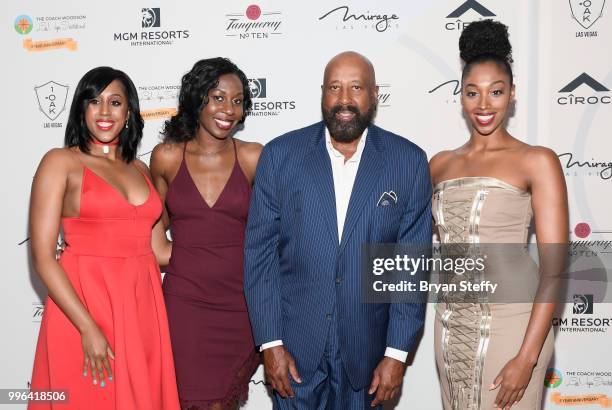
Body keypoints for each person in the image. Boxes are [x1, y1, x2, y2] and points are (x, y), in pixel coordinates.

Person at [244, 51, 432, 409]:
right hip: (293, 352)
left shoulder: (407, 162)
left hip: (369, 356)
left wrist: (396, 354)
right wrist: (269, 343)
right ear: (322, 94)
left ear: (374, 94)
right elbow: (260, 256)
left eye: (356, 87)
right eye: (335, 87)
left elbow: (410, 268)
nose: (344, 99)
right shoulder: (280, 155)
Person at [429, 20, 568, 409]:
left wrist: (527, 358)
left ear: (512, 94)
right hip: (451, 328)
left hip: (515, 327)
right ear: (461, 97)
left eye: (496, 92)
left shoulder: (537, 161)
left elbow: (555, 270)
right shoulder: (438, 165)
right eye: (473, 93)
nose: (484, 105)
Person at [28, 66, 179, 409]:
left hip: (141, 308)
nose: (105, 112)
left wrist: (224, 240)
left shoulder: (140, 169)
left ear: (128, 112)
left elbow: (159, 250)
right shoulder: (60, 162)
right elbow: (41, 257)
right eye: (94, 101)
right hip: (83, 307)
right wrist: (87, 327)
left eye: (115, 102)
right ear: (82, 108)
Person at [150, 57, 262, 410]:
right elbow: (156, 236)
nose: (229, 109)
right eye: (218, 97)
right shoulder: (166, 157)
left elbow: (270, 235)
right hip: (185, 304)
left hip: (240, 305)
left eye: (238, 100)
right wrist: (190, 257)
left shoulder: (254, 157)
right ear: (197, 99)